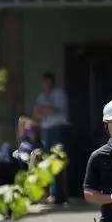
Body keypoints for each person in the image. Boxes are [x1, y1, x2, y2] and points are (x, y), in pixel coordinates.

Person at [33, 71, 70, 204]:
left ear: (52, 83)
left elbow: (54, 110)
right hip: (46, 129)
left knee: (58, 160)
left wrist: (44, 109)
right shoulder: (41, 96)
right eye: (44, 83)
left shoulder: (59, 94)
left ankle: (60, 195)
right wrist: (45, 109)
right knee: (48, 161)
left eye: (48, 83)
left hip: (58, 129)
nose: (46, 86)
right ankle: (53, 194)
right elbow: (36, 113)